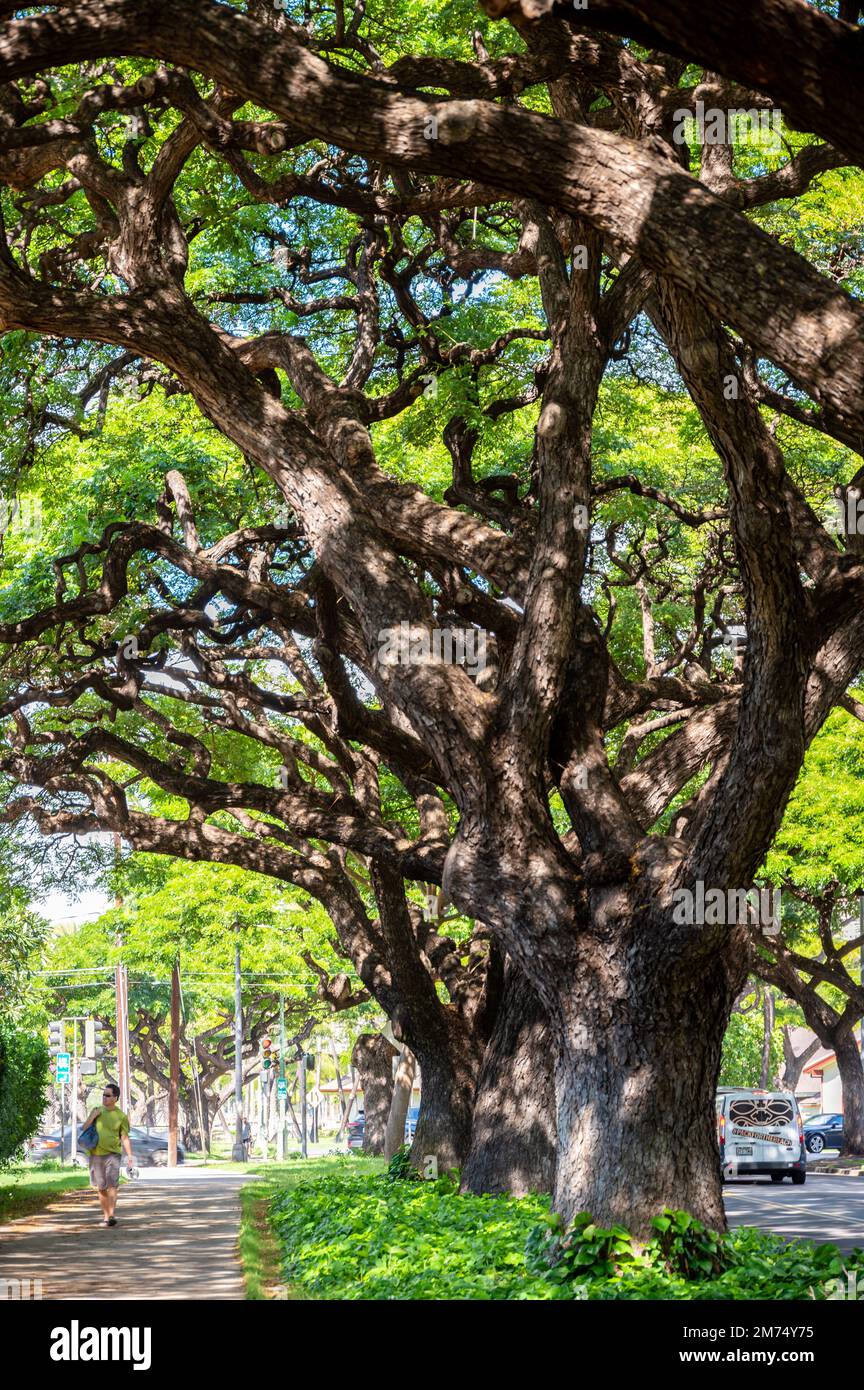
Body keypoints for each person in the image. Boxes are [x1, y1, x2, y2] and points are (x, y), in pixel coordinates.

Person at [83, 1083, 136, 1227]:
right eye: (103, 1095)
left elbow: (125, 1137)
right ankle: (106, 1216)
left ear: (115, 1098)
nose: (104, 1098)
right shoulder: (97, 1110)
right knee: (101, 1187)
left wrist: (130, 1157)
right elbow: (84, 1127)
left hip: (113, 1154)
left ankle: (111, 1215)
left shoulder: (121, 1116)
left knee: (113, 1185)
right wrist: (93, 1116)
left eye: (108, 1095)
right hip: (96, 1154)